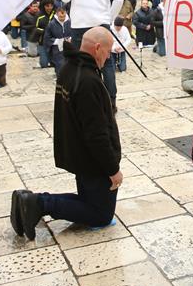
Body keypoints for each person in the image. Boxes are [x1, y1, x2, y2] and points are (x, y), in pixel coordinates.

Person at [11, 27, 123, 240]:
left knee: (89, 203)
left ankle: (31, 201)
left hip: (79, 155)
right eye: (108, 51)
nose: (109, 57)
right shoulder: (88, 80)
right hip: (93, 161)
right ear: (98, 48)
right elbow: (96, 134)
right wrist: (112, 169)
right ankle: (38, 203)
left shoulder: (69, 68)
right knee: (100, 215)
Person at [58, 0, 124, 110]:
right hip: (101, 23)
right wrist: (108, 18)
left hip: (80, 23)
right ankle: (111, 101)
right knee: (107, 63)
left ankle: (85, 99)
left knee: (82, 62)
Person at [43, 6, 71, 74]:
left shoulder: (70, 22)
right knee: (60, 64)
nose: (62, 18)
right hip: (57, 47)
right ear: (56, 14)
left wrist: (70, 38)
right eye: (60, 17)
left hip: (69, 46)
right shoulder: (51, 24)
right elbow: (47, 38)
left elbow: (74, 33)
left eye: (64, 16)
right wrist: (58, 41)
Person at [34, 0, 55, 67]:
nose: (49, 8)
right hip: (42, 41)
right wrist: (45, 31)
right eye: (47, 6)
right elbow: (35, 28)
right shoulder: (39, 15)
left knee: (54, 63)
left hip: (53, 42)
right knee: (44, 64)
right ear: (43, 6)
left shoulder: (55, 14)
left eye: (51, 6)